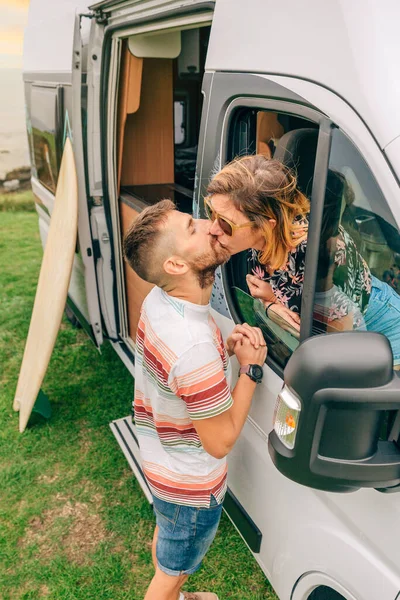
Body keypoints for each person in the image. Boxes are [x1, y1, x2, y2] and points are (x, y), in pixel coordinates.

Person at [123, 199, 267, 600]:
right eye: (193, 227)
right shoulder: (192, 348)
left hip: (161, 462)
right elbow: (219, 441)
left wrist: (220, 350)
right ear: (174, 266)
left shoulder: (160, 301)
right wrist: (250, 370)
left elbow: (182, 377)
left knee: (167, 540)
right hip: (189, 487)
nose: (212, 226)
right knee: (173, 571)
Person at [205, 154, 400, 366]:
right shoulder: (264, 236)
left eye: (225, 224)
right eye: (211, 213)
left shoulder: (314, 253)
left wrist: (272, 305)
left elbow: (344, 341)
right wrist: (273, 300)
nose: (212, 228)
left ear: (266, 226)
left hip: (380, 327)